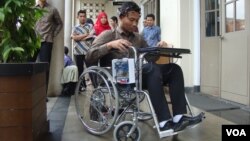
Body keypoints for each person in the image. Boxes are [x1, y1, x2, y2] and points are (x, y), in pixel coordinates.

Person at [86, 1, 202, 132]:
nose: (135, 24)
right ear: (121, 17)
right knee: (151, 69)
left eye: (137, 20)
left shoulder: (138, 38)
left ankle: (178, 118)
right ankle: (164, 122)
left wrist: (158, 48)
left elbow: (150, 57)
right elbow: (89, 56)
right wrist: (109, 45)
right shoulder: (109, 35)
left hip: (138, 76)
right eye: (131, 20)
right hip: (118, 78)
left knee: (174, 69)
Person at [35, 0, 63, 98]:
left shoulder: (52, 9)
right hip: (33, 42)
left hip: (46, 41)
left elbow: (60, 23)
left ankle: (43, 95)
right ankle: (29, 91)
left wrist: (53, 34)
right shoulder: (32, 9)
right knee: (29, 65)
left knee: (45, 68)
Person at [71, 10, 93, 88]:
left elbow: (91, 36)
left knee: (91, 69)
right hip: (78, 51)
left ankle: (95, 86)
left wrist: (79, 37)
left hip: (88, 51)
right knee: (80, 70)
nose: (83, 18)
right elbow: (74, 38)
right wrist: (85, 34)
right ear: (78, 17)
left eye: (84, 16)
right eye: (81, 16)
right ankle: (82, 87)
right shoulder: (75, 28)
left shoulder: (90, 26)